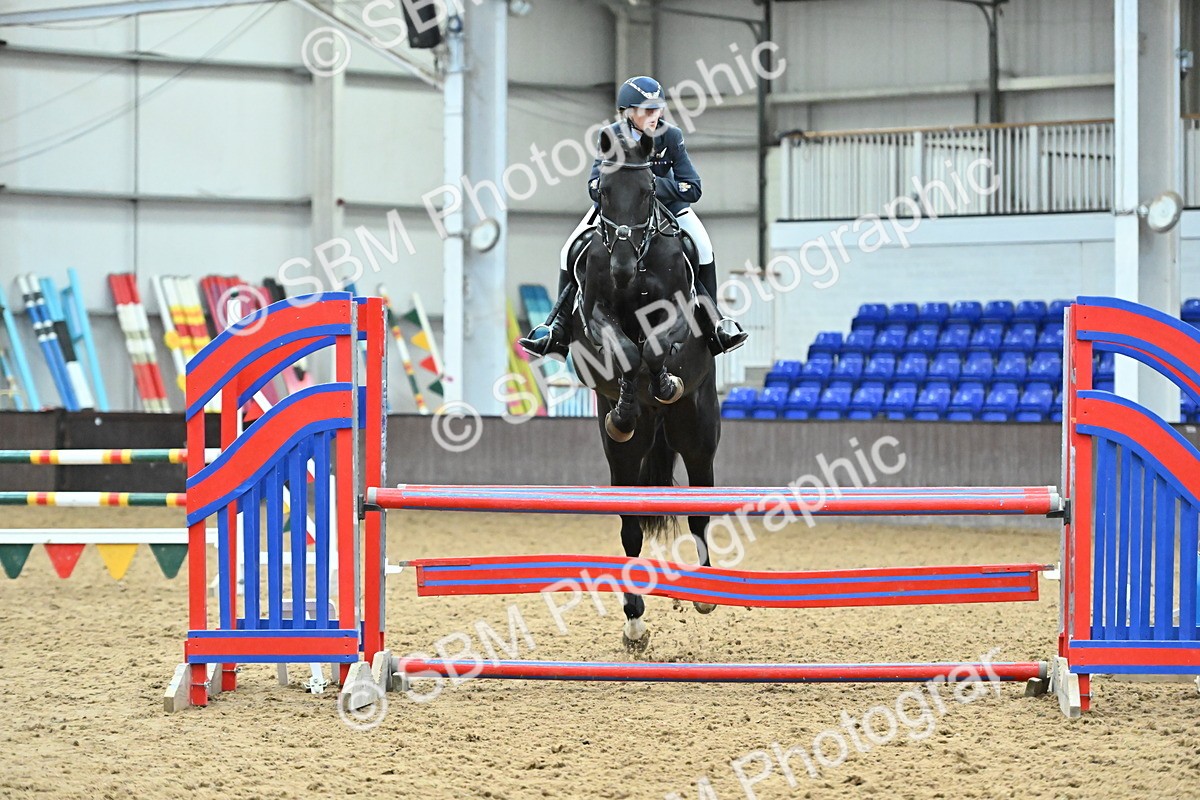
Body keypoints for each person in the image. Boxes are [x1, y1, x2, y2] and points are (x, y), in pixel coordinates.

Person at [520, 75, 748, 359]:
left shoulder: (671, 136)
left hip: (668, 212)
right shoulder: (611, 136)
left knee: (703, 248)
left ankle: (717, 325)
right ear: (629, 112)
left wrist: (649, 187)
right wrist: (624, 191)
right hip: (618, 213)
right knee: (569, 249)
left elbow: (692, 187)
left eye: (658, 109)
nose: (656, 116)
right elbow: (594, 186)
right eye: (648, 110)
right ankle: (557, 329)